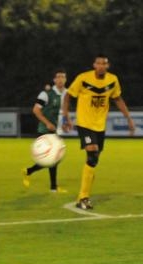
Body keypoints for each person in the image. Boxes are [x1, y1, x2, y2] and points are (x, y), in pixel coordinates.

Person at [62, 54, 135, 210]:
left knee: (93, 161)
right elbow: (68, 96)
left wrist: (128, 118)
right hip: (84, 123)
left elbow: (118, 99)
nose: (101, 66)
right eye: (99, 63)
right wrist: (66, 117)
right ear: (94, 65)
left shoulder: (112, 80)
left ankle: (84, 195)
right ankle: (83, 198)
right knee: (92, 153)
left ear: (108, 66)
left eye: (104, 64)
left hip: (100, 126)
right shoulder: (83, 78)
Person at [22, 69, 67, 193]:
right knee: (53, 159)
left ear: (66, 79)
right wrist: (47, 123)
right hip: (44, 130)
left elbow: (62, 112)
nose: (60, 79)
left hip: (55, 130)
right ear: (54, 80)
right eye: (58, 77)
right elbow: (36, 110)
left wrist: (65, 123)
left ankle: (29, 171)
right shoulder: (45, 94)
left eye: (63, 77)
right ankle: (53, 187)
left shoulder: (66, 93)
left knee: (54, 159)